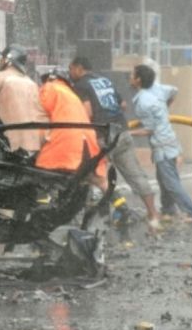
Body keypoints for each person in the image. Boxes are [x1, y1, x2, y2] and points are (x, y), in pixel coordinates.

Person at [69, 57, 161, 229]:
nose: (70, 73)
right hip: (122, 132)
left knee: (92, 175)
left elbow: (86, 112)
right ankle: (153, 215)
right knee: (136, 175)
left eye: (71, 69)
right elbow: (123, 105)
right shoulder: (104, 80)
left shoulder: (80, 85)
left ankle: (111, 211)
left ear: (78, 68)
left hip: (103, 137)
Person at [130, 65, 192, 222]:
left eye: (132, 75)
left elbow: (149, 129)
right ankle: (168, 209)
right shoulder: (158, 89)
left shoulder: (144, 102)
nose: (130, 77)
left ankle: (191, 211)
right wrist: (164, 109)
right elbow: (174, 90)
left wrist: (128, 133)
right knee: (163, 178)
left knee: (170, 182)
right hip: (170, 139)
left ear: (138, 80)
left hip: (162, 144)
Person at [34, 69, 107, 190]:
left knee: (41, 172)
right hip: (87, 139)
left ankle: (44, 202)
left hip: (66, 138)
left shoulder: (50, 87)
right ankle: (122, 206)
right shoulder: (71, 94)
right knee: (96, 179)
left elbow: (39, 111)